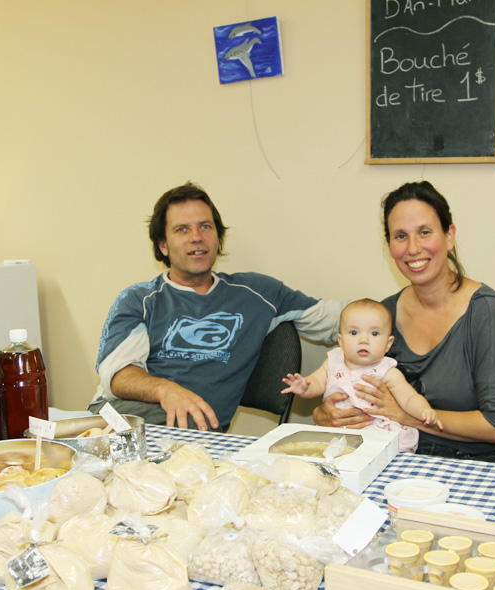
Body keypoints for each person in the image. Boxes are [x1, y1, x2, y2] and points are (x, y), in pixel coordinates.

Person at [89, 181, 341, 432]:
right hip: (118, 416)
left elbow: (345, 319)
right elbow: (118, 375)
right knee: (183, 422)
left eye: (205, 226)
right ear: (163, 245)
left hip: (193, 430)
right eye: (182, 229)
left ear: (218, 238)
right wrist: (166, 390)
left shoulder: (259, 294)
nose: (196, 237)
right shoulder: (139, 299)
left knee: (190, 422)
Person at [313, 181, 495, 463]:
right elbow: (342, 379)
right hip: (395, 458)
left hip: (474, 463)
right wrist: (325, 414)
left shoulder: (486, 312)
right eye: (401, 236)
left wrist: (406, 416)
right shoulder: (383, 315)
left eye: (425, 232)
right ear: (390, 246)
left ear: (449, 236)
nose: (413, 248)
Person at [280, 298, 440, 453]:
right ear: (341, 341)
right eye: (354, 332)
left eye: (375, 333)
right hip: (337, 432)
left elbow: (409, 398)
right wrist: (304, 387)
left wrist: (423, 410)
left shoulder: (386, 371)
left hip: (375, 434)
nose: (364, 340)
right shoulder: (333, 361)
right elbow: (316, 383)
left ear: (388, 344)